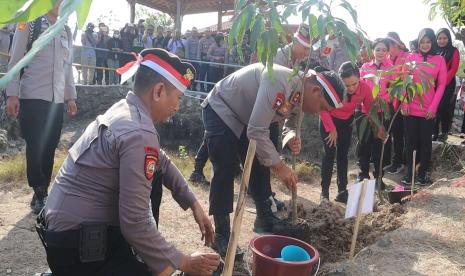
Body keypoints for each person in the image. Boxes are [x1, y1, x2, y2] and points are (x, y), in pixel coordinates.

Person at [37, 48, 220, 276]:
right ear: (159, 91)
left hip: (63, 237)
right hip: (78, 250)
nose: (177, 107)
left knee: (154, 175)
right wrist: (182, 262)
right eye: (178, 98)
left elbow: (160, 161)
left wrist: (193, 203)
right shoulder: (139, 131)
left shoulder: (125, 110)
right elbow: (135, 222)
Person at [202, 62, 344, 257]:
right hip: (222, 109)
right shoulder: (280, 81)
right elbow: (257, 130)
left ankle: (265, 217)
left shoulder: (300, 93)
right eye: (321, 106)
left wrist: (291, 137)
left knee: (261, 162)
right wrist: (280, 167)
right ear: (316, 90)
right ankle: (222, 235)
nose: (319, 112)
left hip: (248, 119)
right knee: (225, 167)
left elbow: (290, 123)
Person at [5, 2, 77, 214]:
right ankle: (39, 190)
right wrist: (12, 94)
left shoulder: (66, 29)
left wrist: (70, 97)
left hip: (56, 99)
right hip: (33, 94)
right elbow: (16, 59)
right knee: (35, 144)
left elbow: (68, 66)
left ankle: (43, 187)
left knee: (50, 144)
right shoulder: (29, 22)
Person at [319, 62, 370, 203]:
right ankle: (324, 193)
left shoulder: (365, 88)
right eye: (347, 86)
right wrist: (331, 129)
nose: (351, 88)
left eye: (354, 84)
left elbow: (371, 108)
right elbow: (322, 107)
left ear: (359, 78)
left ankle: (342, 191)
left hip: (346, 123)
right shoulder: (333, 86)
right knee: (329, 155)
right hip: (328, 121)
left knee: (343, 156)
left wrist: (379, 128)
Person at [401, 28, 447, 186]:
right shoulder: (410, 57)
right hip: (410, 108)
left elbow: (441, 85)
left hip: (428, 110)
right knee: (410, 141)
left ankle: (422, 174)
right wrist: (404, 102)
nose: (425, 45)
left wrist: (433, 108)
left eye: (428, 41)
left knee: (425, 142)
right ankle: (409, 173)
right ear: (418, 42)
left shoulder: (439, 60)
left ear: (432, 42)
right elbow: (404, 82)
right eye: (422, 41)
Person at [357, 38, 393, 187]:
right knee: (363, 143)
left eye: (384, 50)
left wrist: (382, 101)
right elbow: (359, 88)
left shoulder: (390, 68)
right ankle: (363, 173)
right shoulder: (365, 67)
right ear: (373, 51)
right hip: (365, 112)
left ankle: (379, 176)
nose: (380, 52)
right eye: (378, 49)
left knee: (379, 144)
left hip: (381, 112)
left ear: (387, 52)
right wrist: (368, 103)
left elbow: (392, 89)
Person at [384, 32, 410, 174]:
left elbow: (405, 82)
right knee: (394, 132)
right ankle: (395, 161)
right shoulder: (388, 58)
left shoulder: (406, 58)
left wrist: (404, 102)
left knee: (401, 133)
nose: (389, 50)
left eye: (390, 46)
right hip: (390, 101)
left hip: (402, 101)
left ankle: (400, 162)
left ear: (396, 45)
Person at [433, 28, 460, 142]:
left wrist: (442, 82)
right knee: (434, 108)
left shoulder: (454, 51)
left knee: (443, 108)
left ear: (448, 38)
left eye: (444, 38)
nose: (442, 40)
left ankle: (444, 133)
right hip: (433, 84)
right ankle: (434, 133)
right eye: (439, 38)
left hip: (447, 84)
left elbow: (453, 69)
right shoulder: (434, 50)